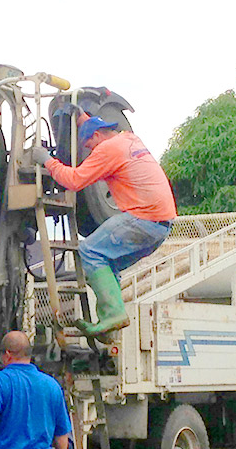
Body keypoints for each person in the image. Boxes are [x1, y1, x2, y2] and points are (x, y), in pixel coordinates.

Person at [27, 113, 177, 336]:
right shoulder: (130, 140)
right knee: (108, 263)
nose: (90, 152)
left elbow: (74, 181)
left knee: (90, 251)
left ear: (97, 136)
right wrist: (83, 118)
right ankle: (110, 327)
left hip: (142, 219)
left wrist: (47, 160)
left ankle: (114, 314)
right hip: (162, 226)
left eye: (90, 145)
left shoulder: (108, 150)